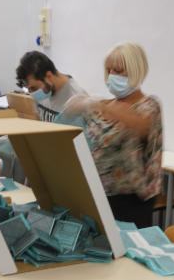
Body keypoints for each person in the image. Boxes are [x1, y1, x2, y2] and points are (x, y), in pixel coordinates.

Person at [65, 42, 163, 228]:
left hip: (131, 201)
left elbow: (141, 125)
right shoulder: (106, 105)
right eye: (109, 70)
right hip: (98, 195)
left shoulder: (149, 106)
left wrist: (96, 104)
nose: (112, 76)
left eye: (119, 71)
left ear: (136, 71)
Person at [15, 50, 87, 120]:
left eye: (33, 88)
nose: (32, 93)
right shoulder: (42, 91)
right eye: (28, 89)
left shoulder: (77, 97)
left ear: (49, 76)